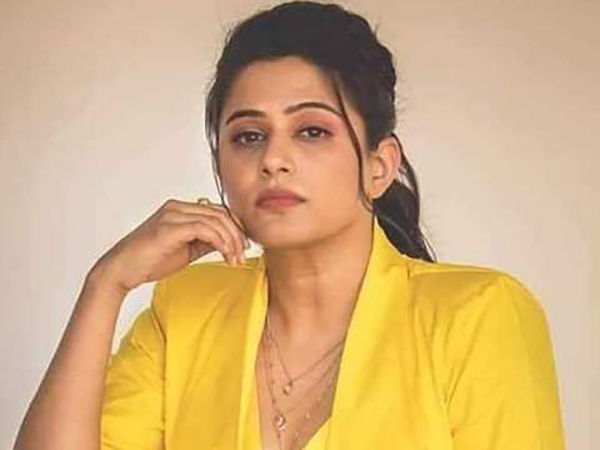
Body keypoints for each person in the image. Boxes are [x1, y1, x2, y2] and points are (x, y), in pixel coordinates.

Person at [14, 1, 565, 449]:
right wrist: (105, 284)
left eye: (311, 131)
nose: (273, 159)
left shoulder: (478, 315)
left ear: (379, 166)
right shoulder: (184, 310)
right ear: (221, 165)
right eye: (248, 136)